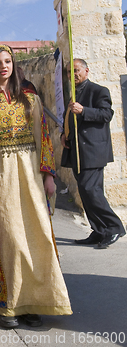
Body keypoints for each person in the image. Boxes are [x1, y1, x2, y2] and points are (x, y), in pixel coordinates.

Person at [0, 44, 72, 328]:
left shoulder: (30, 98)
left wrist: (49, 175)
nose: (4, 66)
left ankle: (35, 301)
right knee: (10, 238)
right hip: (1, 174)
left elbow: (43, 137)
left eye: (8, 61)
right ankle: (9, 306)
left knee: (36, 236)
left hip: (30, 174)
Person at [61, 59, 126, 248]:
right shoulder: (71, 94)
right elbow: (68, 120)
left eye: (76, 70)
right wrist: (63, 136)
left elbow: (106, 114)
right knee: (85, 193)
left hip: (92, 151)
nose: (72, 75)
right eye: (69, 72)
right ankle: (99, 231)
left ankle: (114, 228)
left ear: (86, 71)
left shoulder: (99, 91)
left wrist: (84, 111)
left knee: (92, 191)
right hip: (76, 151)